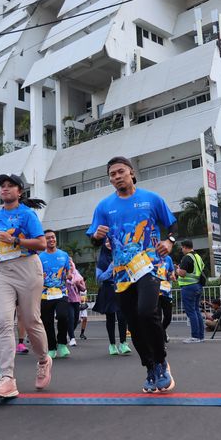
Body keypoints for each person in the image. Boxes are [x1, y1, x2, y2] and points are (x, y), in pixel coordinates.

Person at [87, 156, 177, 393]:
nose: (117, 176)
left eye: (120, 171)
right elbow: (94, 239)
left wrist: (169, 241)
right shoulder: (104, 206)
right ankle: (150, 367)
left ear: (131, 173)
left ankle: (161, 362)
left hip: (149, 266)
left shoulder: (151, 199)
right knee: (133, 324)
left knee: (147, 312)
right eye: (112, 174)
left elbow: (173, 224)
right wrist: (96, 236)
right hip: (122, 274)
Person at [0, 174, 52, 399]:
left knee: (31, 321)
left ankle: (43, 360)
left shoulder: (27, 214)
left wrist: (15, 240)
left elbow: (41, 243)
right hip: (1, 271)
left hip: (27, 267)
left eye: (10, 186)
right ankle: (7, 378)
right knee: (4, 322)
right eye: (2, 186)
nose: (4, 189)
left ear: (19, 192)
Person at [93, 241, 131, 355]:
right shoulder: (102, 260)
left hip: (121, 288)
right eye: (106, 242)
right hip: (108, 290)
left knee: (122, 317)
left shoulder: (121, 255)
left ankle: (123, 343)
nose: (109, 243)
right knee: (110, 318)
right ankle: (112, 344)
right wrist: (111, 268)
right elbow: (99, 278)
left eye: (111, 241)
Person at [39, 230, 71, 359]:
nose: (51, 240)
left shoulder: (64, 255)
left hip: (61, 292)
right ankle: (51, 348)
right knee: (47, 322)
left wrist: (69, 275)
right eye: (48, 238)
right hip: (45, 294)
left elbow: (68, 271)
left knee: (63, 316)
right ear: (44, 240)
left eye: (53, 237)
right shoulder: (40, 257)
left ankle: (62, 344)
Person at [176, 240, 206, 343]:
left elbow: (183, 273)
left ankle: (195, 336)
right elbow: (201, 268)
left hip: (188, 287)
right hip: (198, 285)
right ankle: (200, 336)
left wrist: (177, 270)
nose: (182, 250)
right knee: (196, 310)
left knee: (191, 312)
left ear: (185, 247)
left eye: (182, 247)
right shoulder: (197, 256)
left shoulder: (187, 257)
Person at [66, 258, 86, 346]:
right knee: (71, 317)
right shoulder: (62, 274)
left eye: (71, 264)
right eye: (68, 265)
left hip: (76, 300)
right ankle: (72, 338)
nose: (70, 266)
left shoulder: (77, 275)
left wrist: (78, 284)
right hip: (67, 300)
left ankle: (69, 332)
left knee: (76, 319)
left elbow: (83, 288)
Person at [156, 254, 175, 344]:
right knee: (158, 317)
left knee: (168, 317)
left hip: (166, 291)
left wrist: (172, 275)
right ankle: (160, 339)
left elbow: (171, 270)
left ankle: (162, 331)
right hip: (155, 291)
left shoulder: (168, 258)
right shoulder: (150, 255)